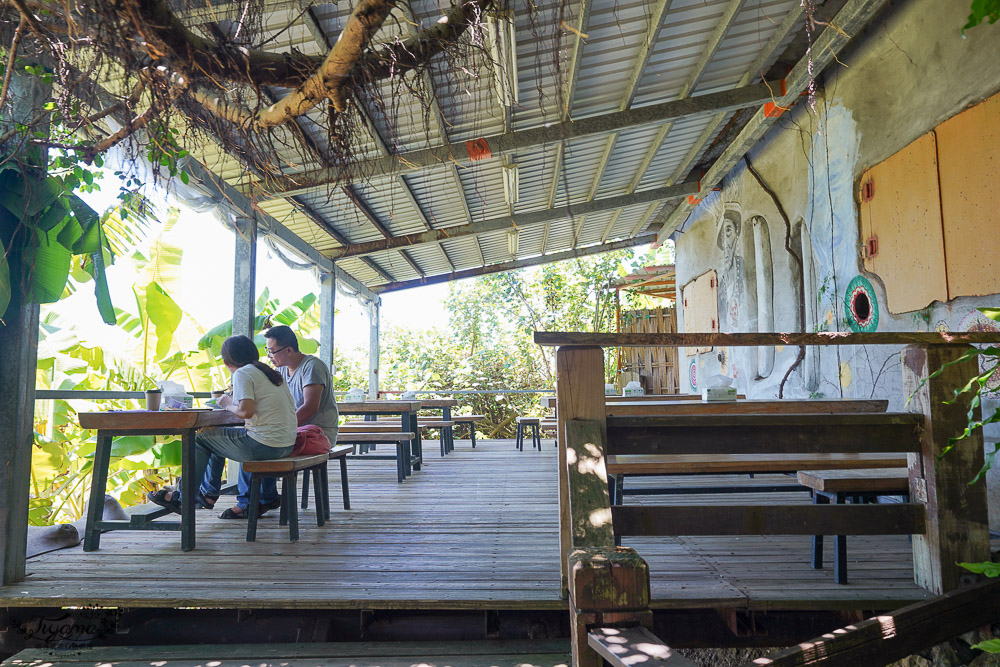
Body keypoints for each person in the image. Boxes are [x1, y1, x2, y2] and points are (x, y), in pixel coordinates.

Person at [147, 335, 297, 514]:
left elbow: (246, 412)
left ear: (227, 363)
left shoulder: (243, 373)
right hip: (286, 444)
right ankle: (208, 495)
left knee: (199, 438)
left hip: (265, 444)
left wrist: (226, 403)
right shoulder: (267, 372)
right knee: (215, 436)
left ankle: (184, 497)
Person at [213, 325, 340, 519]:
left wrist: (281, 426)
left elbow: (310, 407)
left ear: (289, 350)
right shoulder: (279, 370)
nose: (269, 356)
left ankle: (251, 501)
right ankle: (263, 499)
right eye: (267, 351)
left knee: (261, 442)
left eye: (272, 351)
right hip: (295, 430)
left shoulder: (312, 367)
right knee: (261, 439)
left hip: (317, 433)